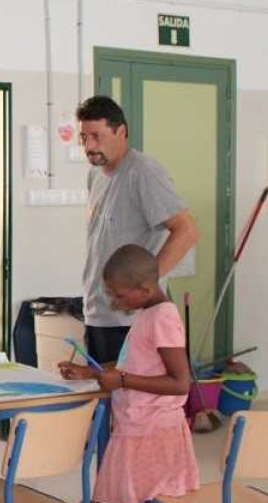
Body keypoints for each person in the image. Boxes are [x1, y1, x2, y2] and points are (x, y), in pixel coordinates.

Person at [60, 244, 199, 503]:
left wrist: (122, 380)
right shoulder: (148, 314)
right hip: (136, 426)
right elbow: (136, 364)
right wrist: (92, 372)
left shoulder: (162, 317)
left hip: (150, 431)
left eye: (120, 296)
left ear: (144, 290)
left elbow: (181, 382)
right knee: (118, 500)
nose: (116, 302)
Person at [78, 95, 198, 364]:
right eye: (84, 138)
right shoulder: (95, 175)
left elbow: (186, 231)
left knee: (131, 400)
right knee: (103, 397)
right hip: (98, 311)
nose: (89, 146)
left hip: (131, 317)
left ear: (121, 132)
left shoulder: (144, 172)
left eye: (97, 136)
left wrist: (145, 287)